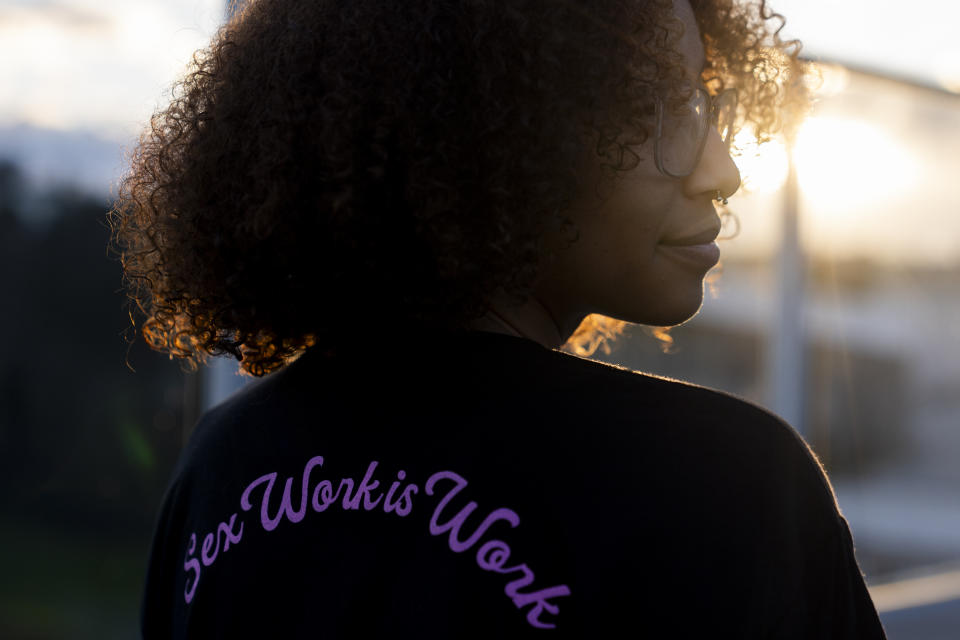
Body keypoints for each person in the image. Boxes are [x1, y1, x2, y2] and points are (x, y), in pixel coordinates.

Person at [110, 0, 887, 637]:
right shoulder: (730, 481)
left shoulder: (221, 463)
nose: (722, 170)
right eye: (662, 109)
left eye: (705, 102)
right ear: (501, 125)